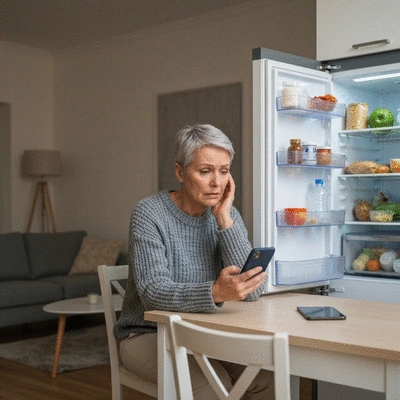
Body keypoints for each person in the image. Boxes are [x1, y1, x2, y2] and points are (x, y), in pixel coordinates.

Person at [114, 124, 274, 399]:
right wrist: (216, 292)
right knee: (216, 386)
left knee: (264, 378)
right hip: (148, 335)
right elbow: (153, 292)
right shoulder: (149, 213)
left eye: (224, 171)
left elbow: (253, 291)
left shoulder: (226, 213)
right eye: (205, 171)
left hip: (207, 331)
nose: (217, 182)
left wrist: (224, 219)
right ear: (179, 172)